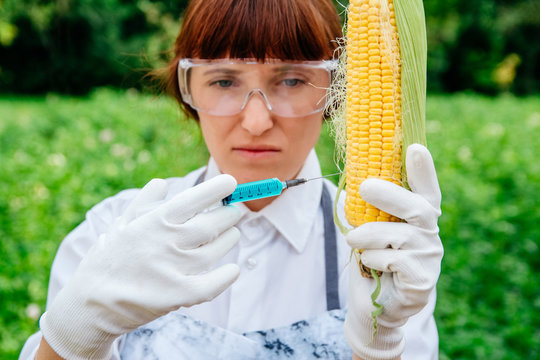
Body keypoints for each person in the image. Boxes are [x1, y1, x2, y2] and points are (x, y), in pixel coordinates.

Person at [20, 0, 443, 359]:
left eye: (292, 80)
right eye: (223, 81)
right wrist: (72, 336)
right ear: (187, 90)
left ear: (336, 91)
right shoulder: (110, 232)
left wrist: (381, 343)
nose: (257, 122)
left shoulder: (387, 253)